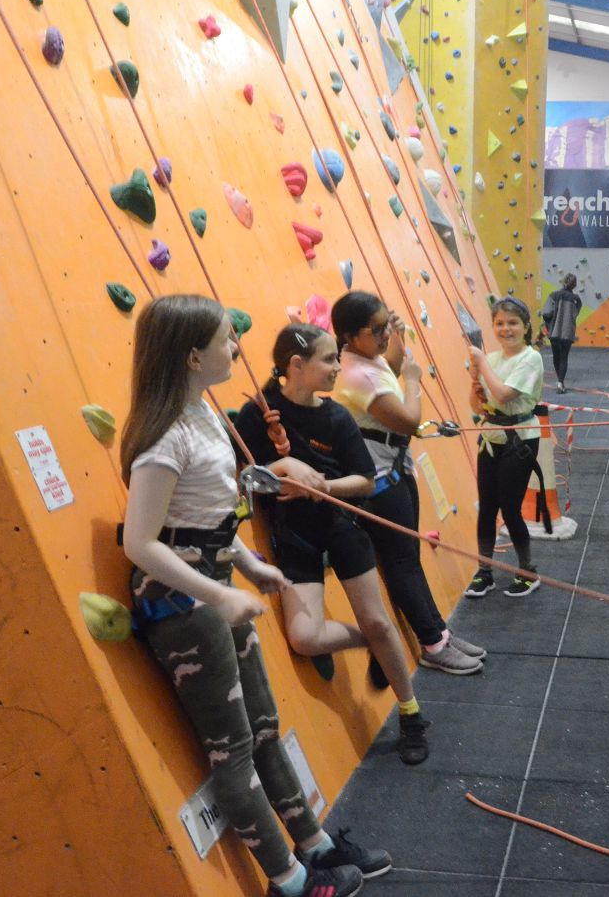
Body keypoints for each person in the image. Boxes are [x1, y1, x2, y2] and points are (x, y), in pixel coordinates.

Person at [119, 295, 387, 897]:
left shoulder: (203, 414)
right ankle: (289, 881)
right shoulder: (166, 438)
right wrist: (218, 597)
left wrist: (246, 564)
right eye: (225, 340)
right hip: (184, 602)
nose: (237, 347)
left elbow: (205, 515)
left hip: (212, 583)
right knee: (233, 748)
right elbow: (142, 542)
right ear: (193, 357)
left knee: (264, 725)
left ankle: (314, 846)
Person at [233, 322, 432, 765]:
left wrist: (321, 486)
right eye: (329, 359)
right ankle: (371, 643)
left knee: (378, 620)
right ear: (296, 365)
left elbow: (364, 481)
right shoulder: (257, 413)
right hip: (294, 534)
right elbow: (241, 475)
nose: (337, 367)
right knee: (305, 637)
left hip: (340, 524)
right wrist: (283, 466)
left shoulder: (336, 417)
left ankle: (411, 713)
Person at [330, 291, 486, 675]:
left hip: (394, 469)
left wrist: (396, 338)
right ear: (350, 336)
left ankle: (439, 632)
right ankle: (433, 643)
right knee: (402, 562)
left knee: (409, 559)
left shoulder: (367, 361)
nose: (384, 335)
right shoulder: (357, 375)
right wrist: (414, 381)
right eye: (377, 329)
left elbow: (391, 367)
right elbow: (409, 420)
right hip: (381, 481)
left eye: (386, 325)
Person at [464, 297, 545, 599]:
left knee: (510, 508)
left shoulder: (530, 358)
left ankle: (527, 571)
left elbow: (504, 394)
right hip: (492, 437)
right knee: (487, 506)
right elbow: (480, 406)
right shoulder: (493, 359)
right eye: (499, 323)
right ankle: (484, 571)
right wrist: (475, 383)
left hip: (520, 439)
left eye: (513, 323)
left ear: (525, 326)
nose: (505, 329)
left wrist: (482, 364)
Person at [540, 273, 583, 394]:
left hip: (554, 331)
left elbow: (546, 313)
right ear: (574, 285)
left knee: (556, 356)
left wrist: (548, 324)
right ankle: (560, 382)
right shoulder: (576, 299)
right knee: (564, 357)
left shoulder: (554, 295)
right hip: (568, 332)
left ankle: (559, 381)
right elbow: (575, 314)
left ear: (563, 282)